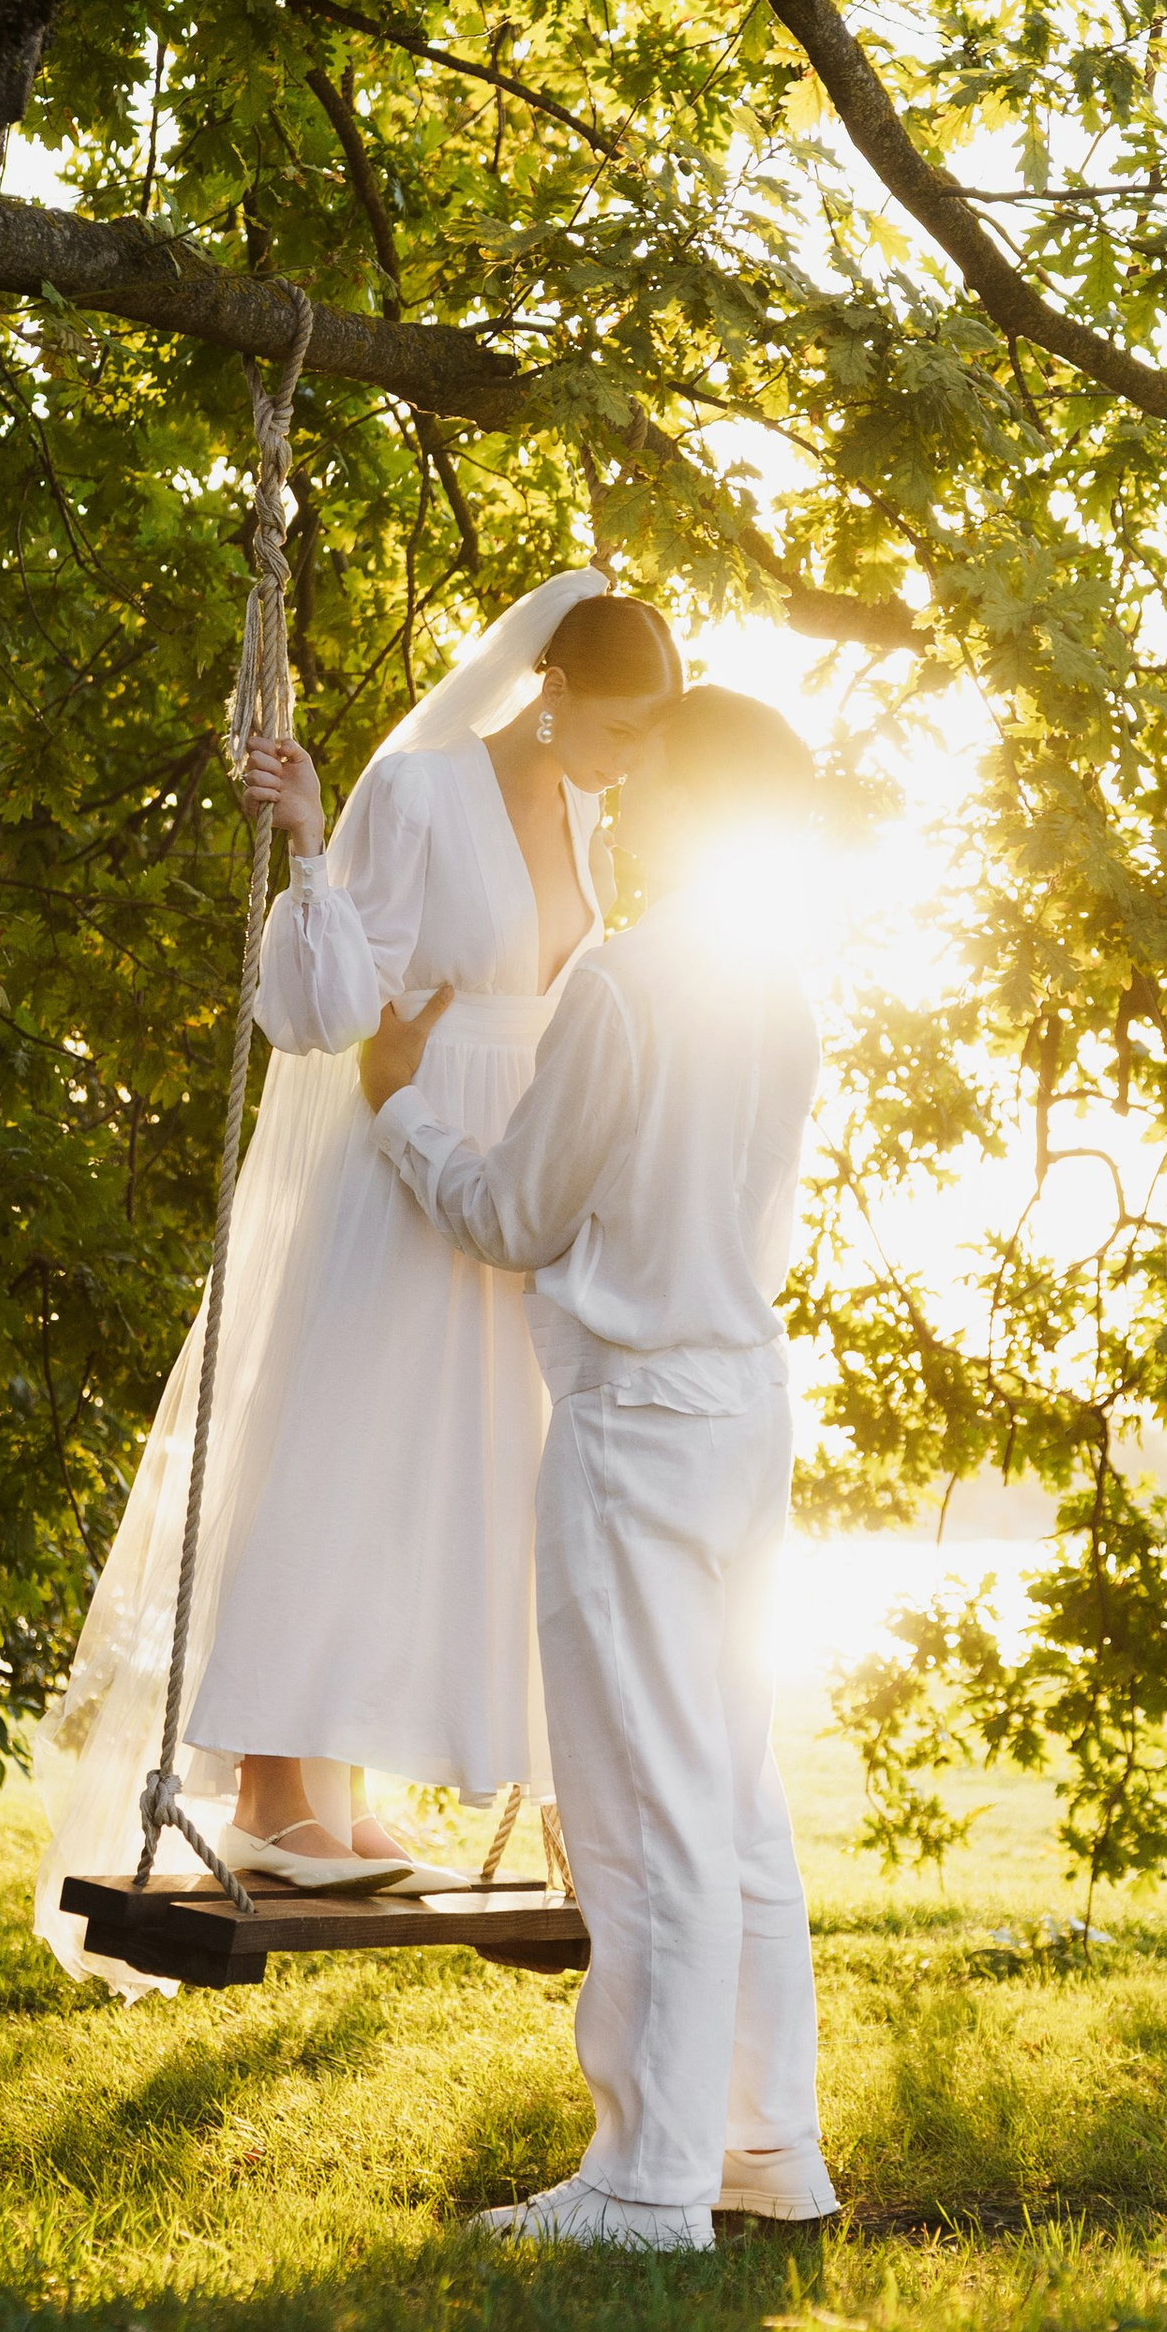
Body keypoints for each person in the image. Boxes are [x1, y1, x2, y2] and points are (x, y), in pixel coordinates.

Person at [31, 575, 684, 1971]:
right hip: (405, 1146)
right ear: (556, 686)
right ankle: (270, 1792)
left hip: (501, 1171)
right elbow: (322, 1013)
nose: (632, 762)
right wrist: (313, 845)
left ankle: (344, 1789)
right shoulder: (425, 788)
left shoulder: (585, 814)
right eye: (621, 728)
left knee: (448, 1474)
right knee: (348, 1454)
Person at [359, 686, 837, 2249]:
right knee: (736, 1804)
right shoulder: (781, 989)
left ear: (697, 807)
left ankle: (645, 2185)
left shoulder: (627, 982)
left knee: (643, 1816)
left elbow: (515, 1216)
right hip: (743, 1414)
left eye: (648, 788)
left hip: (637, 1423)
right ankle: (767, 2153)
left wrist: (402, 1114)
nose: (617, 809)